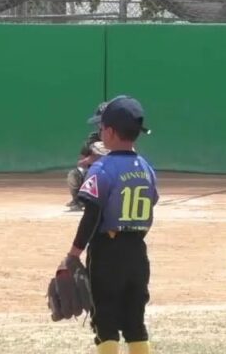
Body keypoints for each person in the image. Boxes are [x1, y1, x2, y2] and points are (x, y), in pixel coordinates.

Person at [64, 95, 158, 354]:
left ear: (110, 131)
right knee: (135, 323)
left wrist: (73, 254)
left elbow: (91, 215)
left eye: (101, 127)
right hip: (138, 253)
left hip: (108, 252)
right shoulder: (147, 169)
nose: (99, 132)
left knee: (105, 323)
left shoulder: (103, 168)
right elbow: (152, 203)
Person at [66, 102, 109, 211]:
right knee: (74, 174)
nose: (100, 125)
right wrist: (93, 159)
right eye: (99, 122)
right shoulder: (93, 138)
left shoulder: (121, 137)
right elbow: (80, 163)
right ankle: (78, 200)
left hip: (113, 177)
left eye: (103, 121)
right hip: (94, 177)